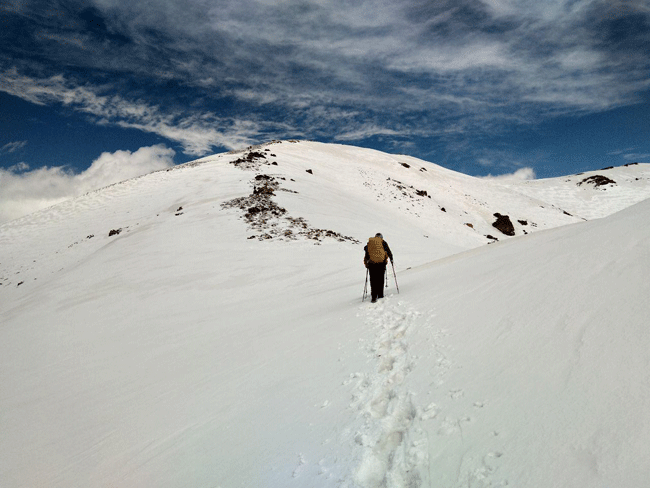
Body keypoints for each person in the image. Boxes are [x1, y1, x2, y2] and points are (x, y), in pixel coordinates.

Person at [363, 233, 394, 303]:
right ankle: (380, 294)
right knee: (380, 279)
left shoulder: (370, 243)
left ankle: (374, 297)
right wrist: (391, 259)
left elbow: (366, 253)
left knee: (373, 280)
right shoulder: (383, 242)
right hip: (381, 264)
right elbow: (388, 251)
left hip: (372, 264)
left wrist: (367, 264)